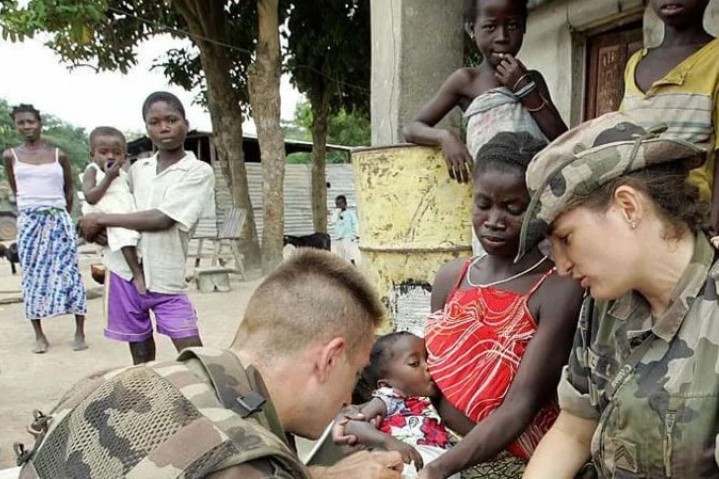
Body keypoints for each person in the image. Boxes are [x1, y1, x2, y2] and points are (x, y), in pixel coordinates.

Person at [15, 249, 404, 478]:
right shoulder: (242, 458)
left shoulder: (108, 380)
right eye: (355, 373)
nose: (349, 396)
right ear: (330, 358)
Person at [337, 132, 584, 478]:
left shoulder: (557, 288)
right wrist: (376, 409)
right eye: (483, 204)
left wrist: (439, 469)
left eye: (514, 209)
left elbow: (520, 407)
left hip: (510, 461)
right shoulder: (451, 278)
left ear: (541, 208)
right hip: (434, 441)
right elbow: (427, 377)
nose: (495, 220)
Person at [518, 112, 719, 478]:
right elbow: (573, 432)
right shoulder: (605, 304)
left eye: (566, 239)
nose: (561, 267)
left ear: (628, 207)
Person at [403, 0, 567, 254]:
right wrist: (445, 137)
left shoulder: (532, 80)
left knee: (539, 261)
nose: (502, 37)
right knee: (492, 266)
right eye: (490, 27)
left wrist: (524, 88)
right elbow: (413, 127)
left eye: (512, 25)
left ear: (523, 28)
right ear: (471, 29)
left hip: (534, 201)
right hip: (493, 205)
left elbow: (560, 136)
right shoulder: (465, 81)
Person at [78, 91, 213, 365]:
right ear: (147, 128)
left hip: (166, 275)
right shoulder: (138, 169)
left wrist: (102, 221)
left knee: (193, 355)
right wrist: (93, 225)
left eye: (171, 119)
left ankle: (209, 402)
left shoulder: (197, 171)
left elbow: (163, 219)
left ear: (186, 123)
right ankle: (149, 401)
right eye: (155, 122)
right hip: (124, 273)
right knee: (140, 353)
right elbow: (114, 204)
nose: (164, 127)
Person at [620, 0, 718, 228]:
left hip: (693, 222)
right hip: (635, 219)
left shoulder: (715, 60)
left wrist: (714, 232)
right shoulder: (635, 63)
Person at [1, 103, 87, 354]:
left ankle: (79, 331)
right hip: (29, 221)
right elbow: (17, 190)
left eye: (31, 121)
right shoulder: (11, 156)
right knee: (32, 276)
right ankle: (39, 335)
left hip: (58, 219)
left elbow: (69, 190)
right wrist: (31, 213)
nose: (27, 126)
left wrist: (61, 215)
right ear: (15, 126)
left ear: (40, 123)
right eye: (21, 122)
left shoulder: (59, 155)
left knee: (69, 272)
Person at [348, 332, 459, 479]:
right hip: (405, 462)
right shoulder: (389, 398)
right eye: (414, 363)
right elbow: (352, 425)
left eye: (428, 358)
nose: (427, 366)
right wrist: (388, 441)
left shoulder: (435, 400)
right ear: (386, 384)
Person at [81, 126, 145, 295]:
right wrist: (108, 178)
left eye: (116, 153)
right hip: (103, 210)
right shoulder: (92, 171)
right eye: (103, 152)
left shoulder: (125, 174)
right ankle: (137, 273)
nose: (110, 156)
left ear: (124, 157)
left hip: (120, 209)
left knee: (132, 235)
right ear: (92, 154)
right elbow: (90, 196)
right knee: (124, 234)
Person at [333, 195, 360, 265]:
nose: (339, 206)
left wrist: (357, 233)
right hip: (338, 237)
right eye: (337, 204)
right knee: (340, 255)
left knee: (349, 253)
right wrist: (337, 213)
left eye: (340, 204)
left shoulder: (350, 213)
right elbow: (333, 221)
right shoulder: (336, 214)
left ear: (345, 204)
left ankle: (353, 265)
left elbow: (355, 223)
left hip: (348, 236)